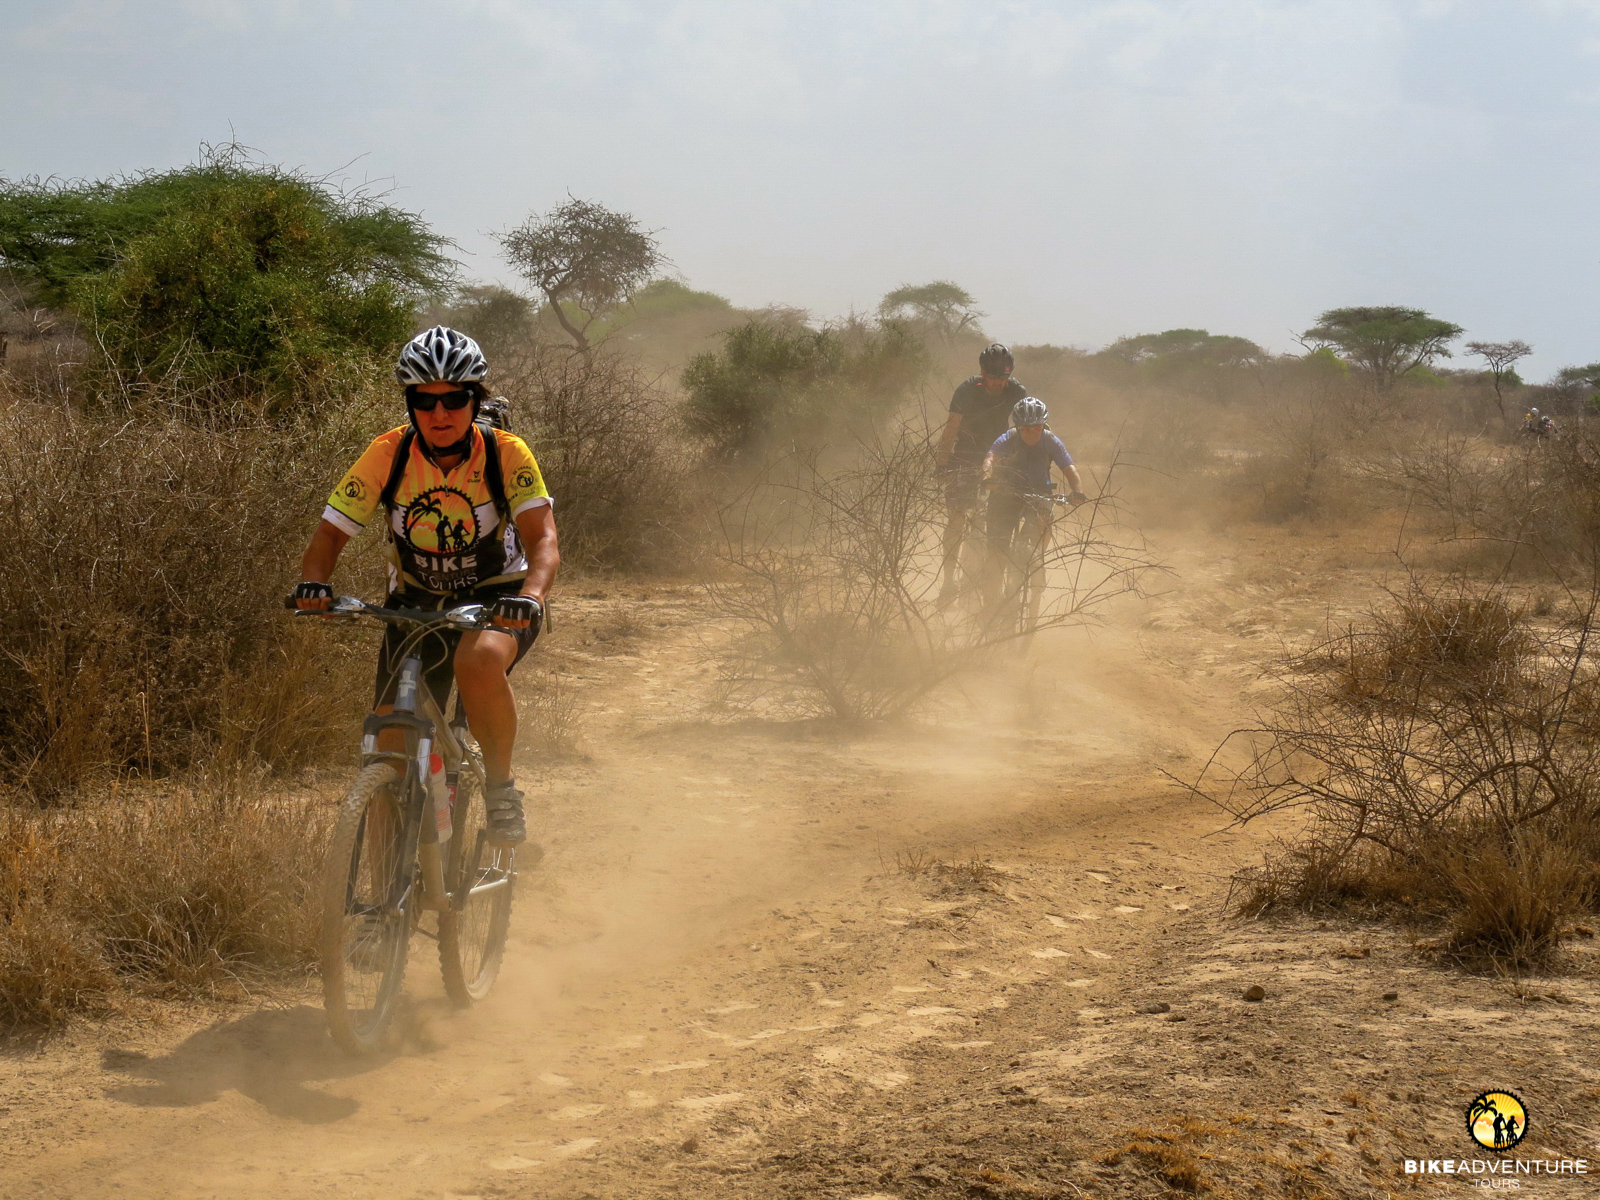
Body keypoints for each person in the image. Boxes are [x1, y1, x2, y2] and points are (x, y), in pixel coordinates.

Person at [292, 326, 559, 845]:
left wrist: (530, 596)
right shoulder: (388, 453)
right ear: (410, 405)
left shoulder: (505, 452)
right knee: (390, 749)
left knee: (477, 661)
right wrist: (314, 584)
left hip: (498, 598)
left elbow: (543, 538)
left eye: (454, 399)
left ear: (474, 400)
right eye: (424, 400)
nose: (440, 413)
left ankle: (501, 790)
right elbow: (330, 533)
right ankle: (383, 892)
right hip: (415, 600)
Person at [933, 343, 1029, 605]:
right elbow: (951, 428)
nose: (998, 382)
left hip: (1000, 459)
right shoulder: (966, 390)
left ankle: (1000, 580)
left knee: (1003, 519)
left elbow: (1028, 429)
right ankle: (948, 582)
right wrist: (942, 465)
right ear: (982, 372)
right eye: (993, 376)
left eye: (1003, 377)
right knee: (956, 519)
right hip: (965, 456)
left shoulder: (1016, 391)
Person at [980, 397, 1086, 603]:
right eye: (1025, 429)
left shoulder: (1051, 441)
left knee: (1044, 520)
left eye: (1036, 428)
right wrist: (986, 477)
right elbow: (990, 458)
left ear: (1043, 426)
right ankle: (990, 602)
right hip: (1005, 493)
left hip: (1040, 492)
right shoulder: (1009, 437)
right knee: (996, 550)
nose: (1031, 433)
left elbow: (1069, 469)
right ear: (1018, 427)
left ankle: (1038, 559)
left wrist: (1077, 492)